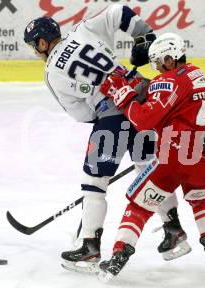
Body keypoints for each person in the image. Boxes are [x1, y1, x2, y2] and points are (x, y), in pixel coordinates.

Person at [23, 5, 191, 273]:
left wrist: (108, 118)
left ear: (43, 43)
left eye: (34, 46)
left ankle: (89, 246)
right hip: (143, 99)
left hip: (111, 115)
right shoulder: (83, 30)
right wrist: (144, 36)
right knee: (147, 170)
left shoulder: (52, 73)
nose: (35, 52)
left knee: (94, 182)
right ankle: (173, 231)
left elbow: (80, 113)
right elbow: (118, 12)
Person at [98, 32, 205, 281]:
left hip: (177, 153)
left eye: (159, 63)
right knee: (201, 197)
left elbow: (144, 120)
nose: (158, 69)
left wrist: (124, 96)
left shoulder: (168, 81)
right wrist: (145, 90)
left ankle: (118, 256)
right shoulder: (198, 74)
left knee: (139, 204)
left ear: (170, 60)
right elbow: (176, 100)